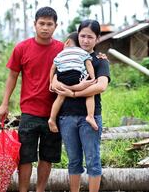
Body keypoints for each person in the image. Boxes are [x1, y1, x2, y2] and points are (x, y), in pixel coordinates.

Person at [0, 6, 64, 192]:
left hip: (54, 112)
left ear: (55, 26)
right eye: (41, 23)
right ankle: (23, 190)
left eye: (49, 24)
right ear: (34, 24)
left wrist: (99, 59)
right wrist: (4, 104)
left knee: (47, 156)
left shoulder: (62, 49)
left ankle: (40, 190)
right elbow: (12, 76)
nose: (45, 28)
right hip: (29, 112)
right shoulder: (22, 48)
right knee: (25, 156)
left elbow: (81, 62)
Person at [53, 19, 110, 192]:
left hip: (90, 118)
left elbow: (101, 86)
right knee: (74, 161)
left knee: (93, 160)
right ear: (78, 36)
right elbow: (55, 82)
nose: (85, 40)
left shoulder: (100, 60)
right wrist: (67, 87)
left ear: (97, 39)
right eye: (83, 36)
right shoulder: (68, 56)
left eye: (90, 37)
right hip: (67, 117)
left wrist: (74, 93)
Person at [48, 32, 98, 133]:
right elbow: (89, 64)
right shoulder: (83, 52)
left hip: (62, 78)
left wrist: (50, 82)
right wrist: (93, 78)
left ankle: (52, 119)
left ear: (67, 42)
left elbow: (53, 68)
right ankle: (90, 116)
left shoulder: (60, 54)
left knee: (60, 97)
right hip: (76, 77)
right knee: (90, 93)